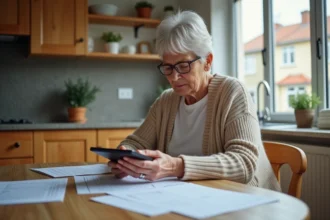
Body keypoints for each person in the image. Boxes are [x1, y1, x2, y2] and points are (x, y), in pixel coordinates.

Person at [108, 11, 281, 191]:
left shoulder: (233, 92)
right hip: (191, 199)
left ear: (207, 61)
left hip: (248, 201)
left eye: (183, 66)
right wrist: (124, 158)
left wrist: (175, 166)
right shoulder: (166, 101)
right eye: (168, 67)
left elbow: (244, 165)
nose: (174, 77)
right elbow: (136, 143)